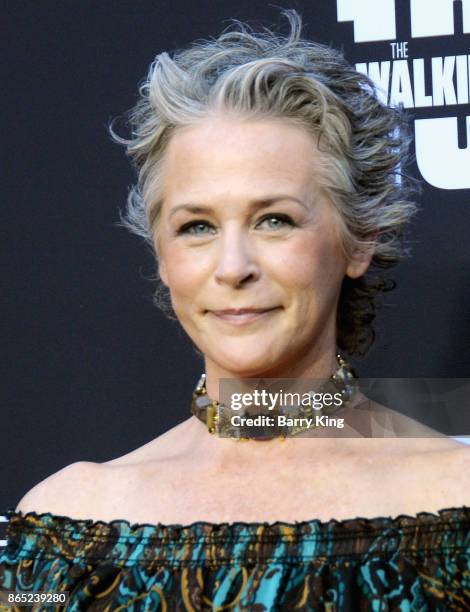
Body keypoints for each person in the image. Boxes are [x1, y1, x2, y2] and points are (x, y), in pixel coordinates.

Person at [1, 10, 469, 611]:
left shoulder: (452, 505)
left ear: (359, 239)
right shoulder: (63, 531)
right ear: (163, 257)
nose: (232, 267)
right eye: (196, 226)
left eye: (274, 220)